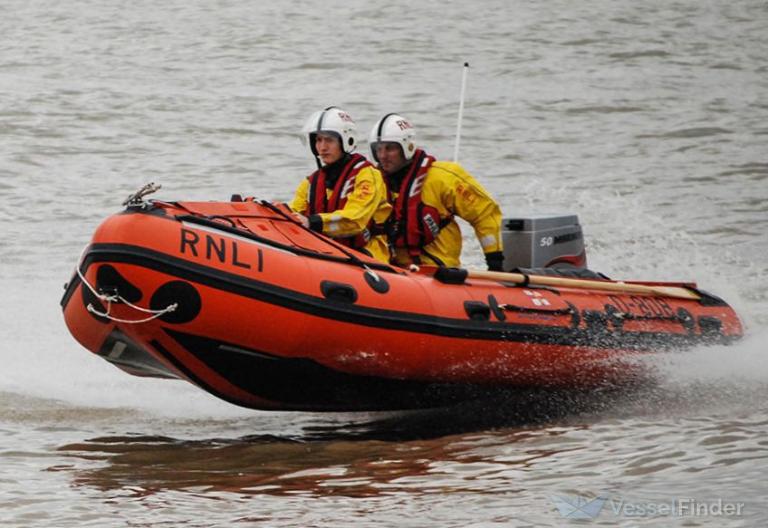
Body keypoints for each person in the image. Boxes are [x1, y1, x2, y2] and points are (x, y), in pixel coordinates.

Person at [368, 113, 504, 271]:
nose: (383, 156)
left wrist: (494, 261)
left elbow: (484, 213)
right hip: (394, 271)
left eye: (390, 148)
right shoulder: (373, 182)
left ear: (407, 147)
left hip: (439, 271)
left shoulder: (442, 178)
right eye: (378, 149)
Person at [290, 106, 392, 263]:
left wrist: (312, 222)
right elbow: (293, 212)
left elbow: (355, 219)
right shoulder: (311, 182)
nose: (322, 147)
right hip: (328, 251)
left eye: (329, 140)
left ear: (346, 140)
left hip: (368, 255)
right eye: (318, 140)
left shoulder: (368, 176)